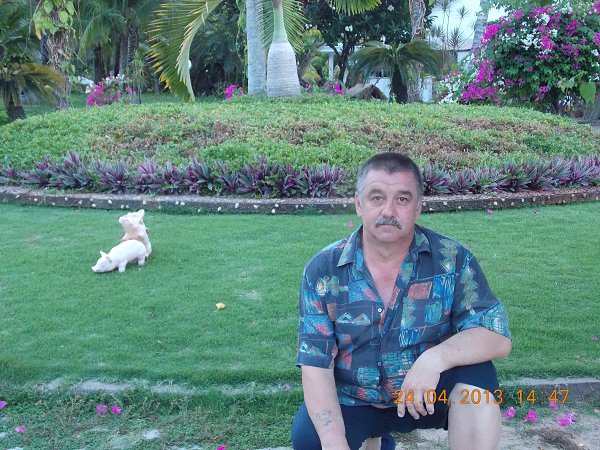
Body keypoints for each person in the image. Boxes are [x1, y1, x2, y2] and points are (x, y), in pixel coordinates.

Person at [292, 153, 512, 450]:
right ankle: (376, 441)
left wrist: (435, 359)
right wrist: (334, 442)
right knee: (311, 439)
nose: (389, 210)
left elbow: (496, 335)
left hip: (427, 393)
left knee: (477, 386)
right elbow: (315, 363)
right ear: (358, 203)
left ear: (419, 206)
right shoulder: (323, 271)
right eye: (377, 198)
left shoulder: (451, 259)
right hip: (354, 398)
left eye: (402, 199)